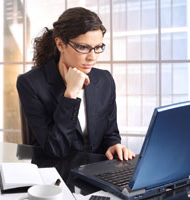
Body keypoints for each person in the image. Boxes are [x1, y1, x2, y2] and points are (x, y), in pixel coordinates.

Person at [17, 7, 135, 160]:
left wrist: (113, 145)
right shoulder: (31, 84)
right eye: (83, 47)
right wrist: (70, 95)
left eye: (98, 47)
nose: (92, 57)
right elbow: (55, 150)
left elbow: (110, 133)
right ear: (60, 44)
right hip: (55, 174)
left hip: (95, 173)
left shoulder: (104, 80)